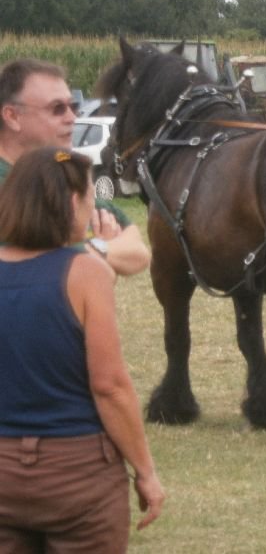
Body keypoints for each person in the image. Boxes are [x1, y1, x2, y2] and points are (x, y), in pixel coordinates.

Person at [0, 147, 165, 552]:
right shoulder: (86, 273)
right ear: (73, 202)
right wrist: (144, 470)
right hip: (76, 470)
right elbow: (109, 385)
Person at [0, 58, 149, 276]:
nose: (72, 117)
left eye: (74, 106)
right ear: (12, 116)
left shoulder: (63, 175)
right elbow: (29, 267)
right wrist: (97, 251)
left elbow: (138, 252)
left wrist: (92, 250)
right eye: (57, 108)